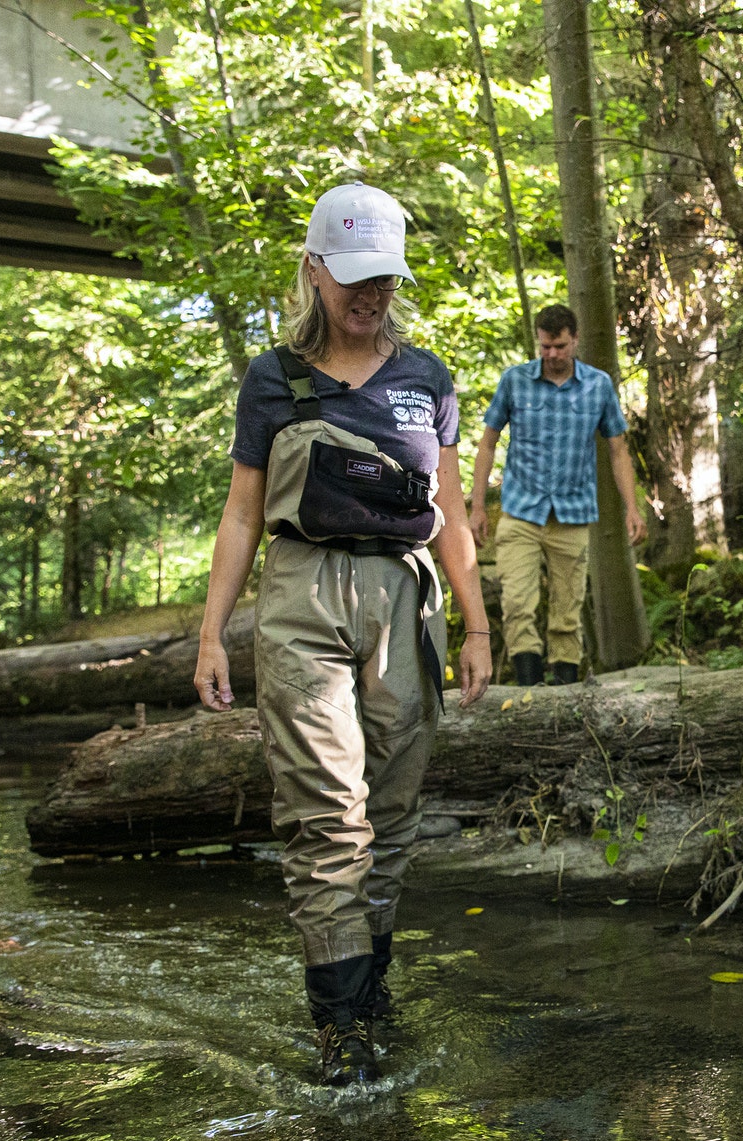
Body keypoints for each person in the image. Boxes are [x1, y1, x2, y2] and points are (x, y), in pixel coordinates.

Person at [193, 182, 492, 1085]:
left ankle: (371, 992)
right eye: (354, 278)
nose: (371, 297)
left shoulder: (427, 377)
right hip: (301, 596)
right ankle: (341, 1032)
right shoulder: (272, 380)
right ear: (315, 269)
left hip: (406, 598)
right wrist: (211, 634)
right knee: (328, 814)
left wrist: (478, 625)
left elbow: (450, 512)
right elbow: (244, 515)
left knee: (392, 815)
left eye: (385, 281)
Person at [466, 305, 645, 687]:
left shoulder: (598, 386)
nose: (552, 355)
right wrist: (477, 506)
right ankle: (529, 691)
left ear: (575, 340)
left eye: (560, 346)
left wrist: (632, 508)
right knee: (517, 605)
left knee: (567, 610)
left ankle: (564, 692)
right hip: (520, 512)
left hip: (573, 515)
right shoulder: (515, 381)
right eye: (545, 346)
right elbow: (488, 443)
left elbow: (618, 451)